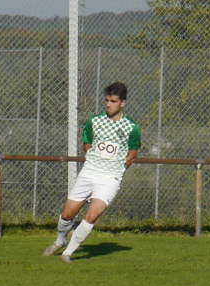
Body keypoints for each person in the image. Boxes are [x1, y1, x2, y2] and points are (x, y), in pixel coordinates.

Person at [43, 82, 141, 263]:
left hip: (110, 178)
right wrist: (92, 157)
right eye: (106, 100)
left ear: (123, 103)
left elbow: (132, 153)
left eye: (113, 101)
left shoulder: (132, 127)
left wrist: (117, 169)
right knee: (67, 214)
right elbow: (87, 141)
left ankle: (68, 253)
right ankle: (60, 240)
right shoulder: (94, 121)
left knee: (92, 215)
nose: (108, 104)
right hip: (89, 173)